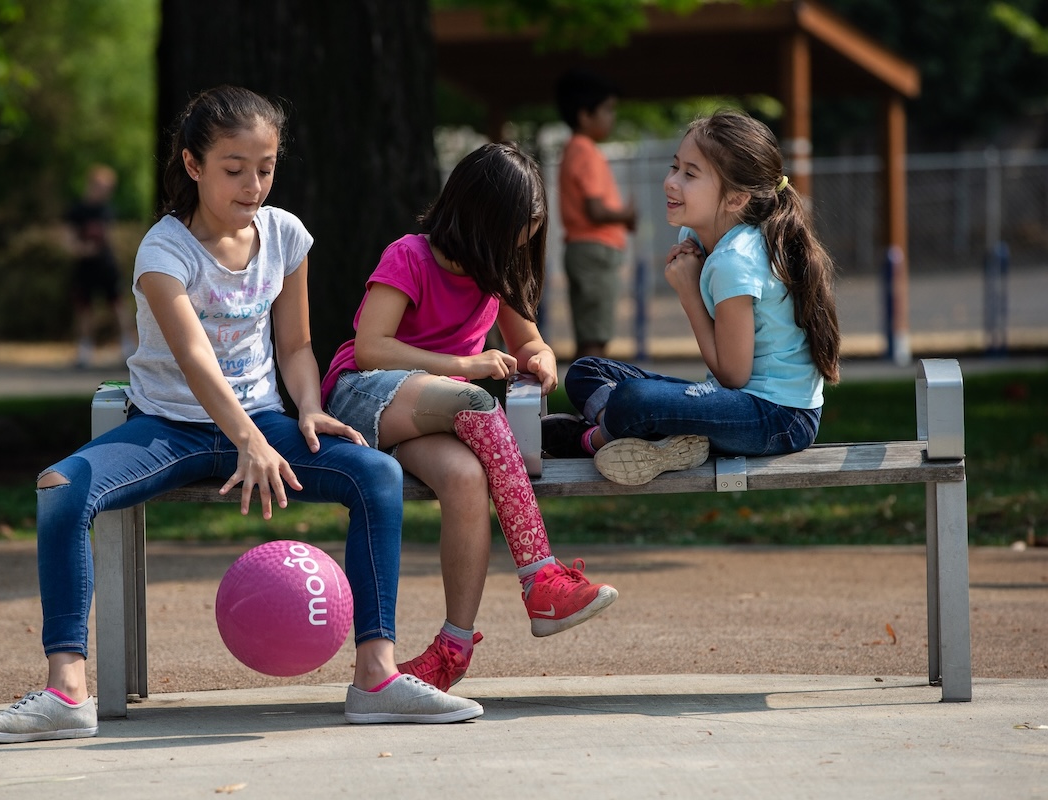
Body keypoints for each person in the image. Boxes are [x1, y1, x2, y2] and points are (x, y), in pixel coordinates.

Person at [0, 85, 482, 744]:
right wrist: (246, 440)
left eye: (265, 168)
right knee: (62, 488)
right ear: (193, 165)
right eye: (234, 169)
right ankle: (66, 690)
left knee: (375, 477)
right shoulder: (163, 251)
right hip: (170, 429)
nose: (253, 185)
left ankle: (376, 678)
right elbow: (194, 361)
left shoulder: (286, 235)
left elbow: (295, 344)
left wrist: (311, 409)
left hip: (265, 420)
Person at [320, 142, 619, 693]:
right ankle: (540, 579)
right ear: (481, 217)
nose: (520, 245)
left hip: (438, 412)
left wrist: (540, 361)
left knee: (466, 479)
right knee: (476, 401)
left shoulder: (493, 271)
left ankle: (452, 649)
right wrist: (468, 364)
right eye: (514, 231)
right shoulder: (408, 255)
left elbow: (530, 340)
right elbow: (370, 348)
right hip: (363, 397)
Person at [545, 110, 841, 486]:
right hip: (738, 400)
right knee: (588, 371)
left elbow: (733, 375)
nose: (671, 182)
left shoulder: (735, 262)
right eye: (674, 167)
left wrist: (688, 294)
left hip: (779, 419)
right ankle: (659, 439)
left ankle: (591, 440)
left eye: (690, 174)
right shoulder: (703, 236)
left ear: (735, 198)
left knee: (633, 399)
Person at [554, 68, 637, 360]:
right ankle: (591, 401)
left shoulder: (574, 149)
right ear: (584, 115)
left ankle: (584, 396)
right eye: (607, 109)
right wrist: (626, 215)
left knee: (589, 332)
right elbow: (596, 210)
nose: (611, 117)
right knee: (595, 338)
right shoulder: (585, 150)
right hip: (594, 250)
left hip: (583, 249)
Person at [64, 163, 137, 368]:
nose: (105, 192)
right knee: (84, 309)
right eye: (102, 187)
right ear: (92, 184)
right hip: (84, 267)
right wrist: (81, 249)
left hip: (106, 265)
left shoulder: (107, 210)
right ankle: (84, 351)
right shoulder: (77, 210)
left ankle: (127, 347)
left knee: (119, 305)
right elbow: (68, 240)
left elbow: (111, 237)